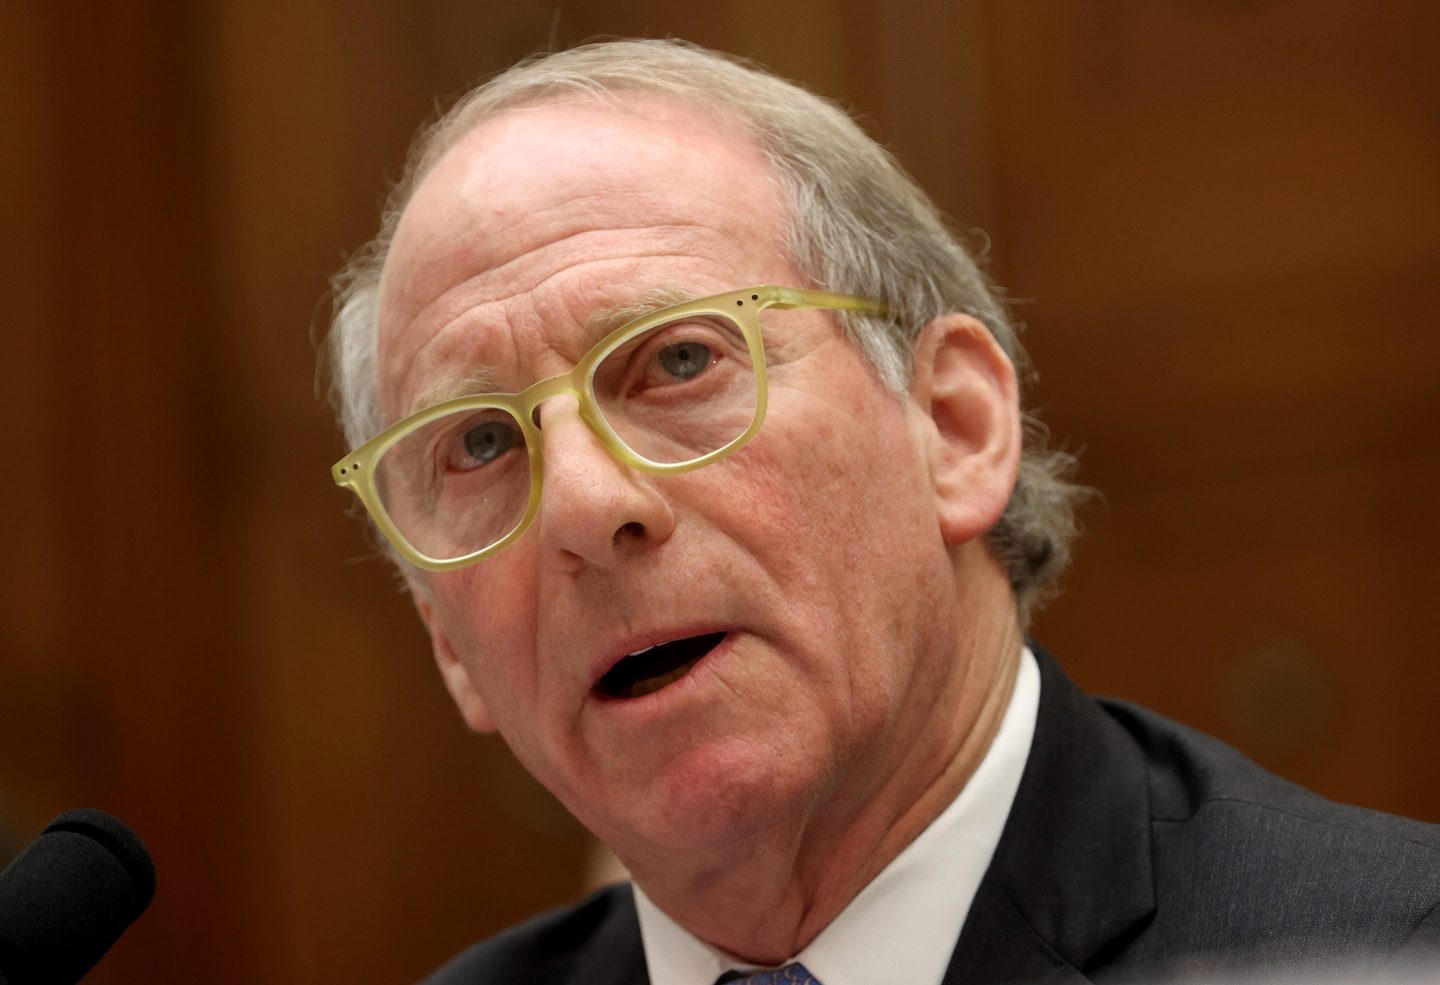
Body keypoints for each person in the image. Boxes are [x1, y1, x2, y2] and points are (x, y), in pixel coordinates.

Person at [326, 39, 1440, 985]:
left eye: (676, 361)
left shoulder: (1376, 947)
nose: (582, 503)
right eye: (480, 442)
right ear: (445, 637)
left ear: (953, 426)